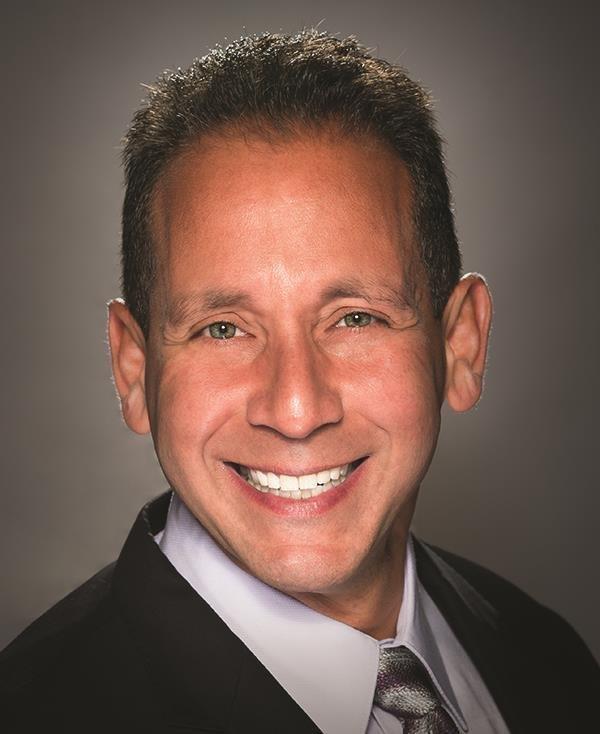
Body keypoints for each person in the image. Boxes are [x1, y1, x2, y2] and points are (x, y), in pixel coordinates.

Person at [1, 29, 598, 734]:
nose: (295, 408)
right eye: (222, 329)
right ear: (133, 369)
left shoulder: (547, 658)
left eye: (356, 319)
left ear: (459, 344)